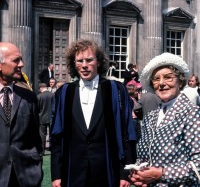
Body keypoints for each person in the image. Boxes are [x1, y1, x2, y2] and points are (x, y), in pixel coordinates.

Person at [51, 39, 137, 187]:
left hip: (108, 170)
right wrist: (57, 174)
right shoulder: (65, 92)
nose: (84, 65)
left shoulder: (115, 90)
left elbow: (127, 132)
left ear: (98, 62)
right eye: (79, 61)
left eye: (89, 60)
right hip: (73, 170)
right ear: (74, 63)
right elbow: (57, 136)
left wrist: (125, 172)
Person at [129, 52, 200, 186]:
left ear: (180, 82)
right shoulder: (151, 116)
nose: (161, 83)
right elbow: (144, 156)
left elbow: (198, 166)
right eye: (156, 79)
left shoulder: (193, 114)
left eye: (168, 77)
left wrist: (161, 173)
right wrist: (139, 175)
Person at [0, 42, 43, 186]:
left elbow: (36, 137)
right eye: (16, 60)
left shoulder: (29, 97)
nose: (22, 64)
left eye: (21, 59)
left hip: (25, 178)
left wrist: (36, 168)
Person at [37, 83, 54, 155]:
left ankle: (42, 150)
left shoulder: (39, 96)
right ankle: (52, 149)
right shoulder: (53, 95)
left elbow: (37, 108)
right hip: (52, 117)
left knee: (42, 135)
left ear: (41, 88)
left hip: (42, 117)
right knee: (52, 134)